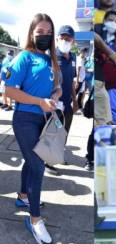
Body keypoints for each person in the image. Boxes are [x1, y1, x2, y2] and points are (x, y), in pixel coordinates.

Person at [4, 13, 62, 244]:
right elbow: (9, 90)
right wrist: (39, 102)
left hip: (45, 120)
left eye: (49, 33)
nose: (45, 36)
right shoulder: (24, 57)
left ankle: (23, 197)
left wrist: (56, 95)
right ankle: (35, 219)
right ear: (32, 33)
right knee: (38, 164)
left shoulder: (51, 60)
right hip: (25, 119)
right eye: (40, 32)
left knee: (31, 161)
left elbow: (57, 86)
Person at [45, 25, 78, 176]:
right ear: (57, 39)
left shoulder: (73, 58)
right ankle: (48, 162)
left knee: (64, 132)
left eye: (68, 38)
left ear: (73, 41)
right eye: (62, 38)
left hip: (67, 104)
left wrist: (75, 100)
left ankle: (57, 156)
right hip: (54, 104)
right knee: (53, 133)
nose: (65, 40)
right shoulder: (51, 56)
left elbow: (71, 80)